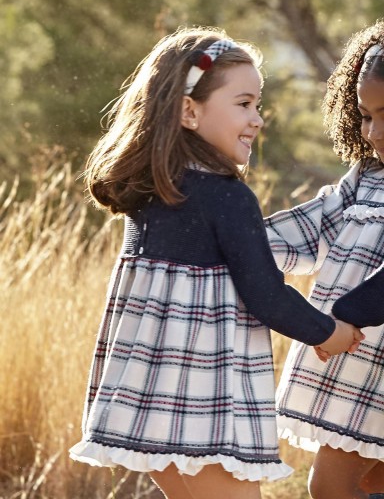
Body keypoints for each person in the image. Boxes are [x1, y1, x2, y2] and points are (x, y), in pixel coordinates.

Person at [69, 26, 360, 499]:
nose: (258, 120)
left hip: (148, 402)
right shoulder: (227, 196)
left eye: (258, 106)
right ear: (189, 110)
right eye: (243, 104)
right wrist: (330, 333)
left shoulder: (152, 192)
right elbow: (266, 294)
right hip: (204, 406)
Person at [265, 20, 384, 499]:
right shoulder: (367, 178)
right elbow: (310, 227)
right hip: (358, 363)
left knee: (332, 487)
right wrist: (233, 243)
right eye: (366, 115)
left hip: (359, 349)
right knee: (369, 481)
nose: (374, 131)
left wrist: (340, 319)